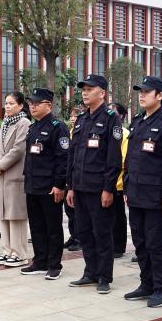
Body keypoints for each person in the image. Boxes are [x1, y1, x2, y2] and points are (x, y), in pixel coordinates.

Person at [122, 77, 162, 307]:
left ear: (160, 95)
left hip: (157, 196)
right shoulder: (138, 122)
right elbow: (130, 158)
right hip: (136, 193)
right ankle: (146, 284)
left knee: (156, 243)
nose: (142, 95)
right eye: (140, 91)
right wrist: (127, 185)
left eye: (147, 92)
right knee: (140, 242)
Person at [66, 74, 124, 293]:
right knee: (84, 232)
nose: (85, 93)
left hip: (99, 188)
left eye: (90, 89)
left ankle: (104, 276)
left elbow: (113, 158)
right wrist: (70, 186)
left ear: (102, 93)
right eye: (83, 89)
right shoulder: (82, 119)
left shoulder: (110, 119)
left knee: (102, 233)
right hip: (80, 187)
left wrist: (108, 188)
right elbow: (73, 155)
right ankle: (90, 272)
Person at [18, 88, 70, 279]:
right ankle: (40, 261)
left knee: (53, 227)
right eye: (30, 103)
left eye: (36, 103)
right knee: (36, 226)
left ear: (48, 105)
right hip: (32, 185)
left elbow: (63, 159)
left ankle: (54, 265)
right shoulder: (33, 127)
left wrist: (59, 185)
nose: (32, 106)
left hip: (49, 187)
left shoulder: (58, 127)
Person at [0, 92, 32, 267]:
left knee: (16, 216)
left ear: (21, 106)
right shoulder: (5, 123)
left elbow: (18, 149)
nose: (7, 106)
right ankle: (7, 250)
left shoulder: (24, 123)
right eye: (6, 103)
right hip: (2, 175)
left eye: (11, 103)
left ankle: (20, 254)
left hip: (16, 176)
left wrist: (1, 165)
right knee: (5, 214)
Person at [63, 106, 84, 252]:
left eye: (75, 116)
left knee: (77, 211)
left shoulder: (81, 132)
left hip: (78, 177)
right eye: (71, 116)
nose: (72, 118)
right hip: (67, 175)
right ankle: (73, 235)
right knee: (69, 209)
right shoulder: (70, 132)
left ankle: (79, 238)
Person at [112, 101, 130, 259]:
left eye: (114, 112)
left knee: (118, 216)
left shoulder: (124, 133)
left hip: (118, 182)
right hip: (103, 181)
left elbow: (123, 159)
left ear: (122, 116)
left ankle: (118, 246)